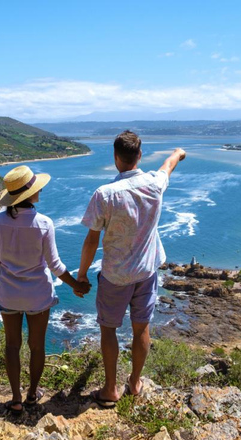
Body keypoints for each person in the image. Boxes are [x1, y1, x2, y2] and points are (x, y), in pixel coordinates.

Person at [76, 131, 185, 407]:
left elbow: (92, 239)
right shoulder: (154, 185)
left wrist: (81, 274)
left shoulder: (104, 195)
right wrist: (177, 153)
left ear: (115, 158)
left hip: (115, 275)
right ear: (139, 156)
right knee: (141, 329)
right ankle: (135, 383)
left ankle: (111, 389)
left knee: (109, 329)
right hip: (146, 273)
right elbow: (167, 167)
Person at [0, 165, 91, 414]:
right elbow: (55, 266)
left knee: (12, 345)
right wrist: (77, 285)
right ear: (30, 193)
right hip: (37, 295)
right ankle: (33, 394)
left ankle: (15, 398)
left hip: (8, 293)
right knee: (37, 346)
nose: (40, 189)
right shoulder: (44, 223)